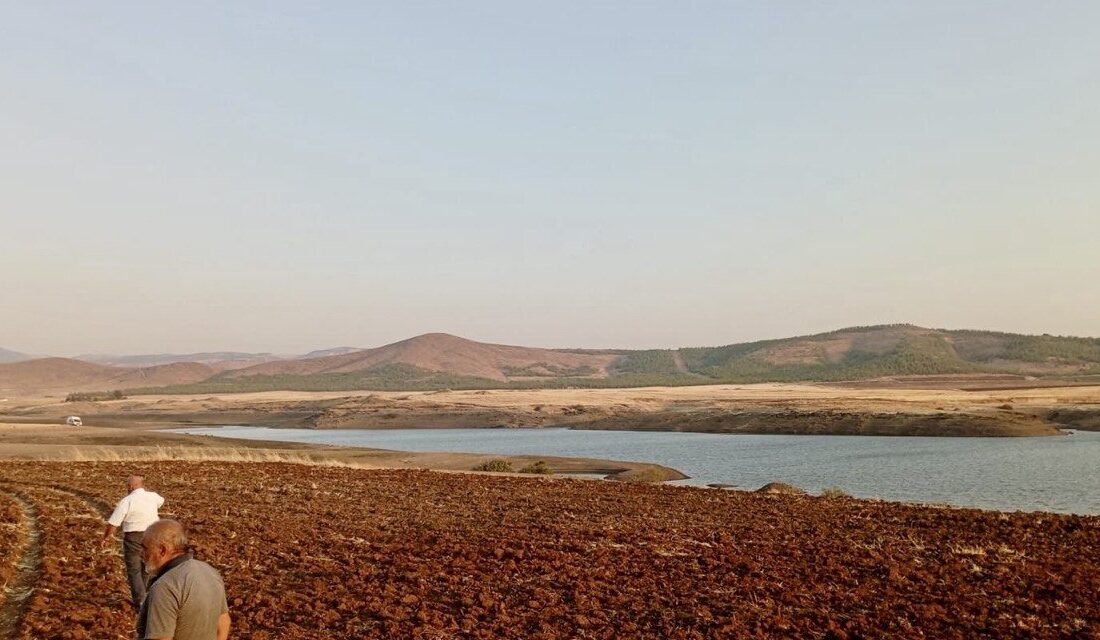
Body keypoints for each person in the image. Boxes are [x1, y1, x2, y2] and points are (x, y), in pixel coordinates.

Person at [137, 519, 230, 640]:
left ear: (162, 550)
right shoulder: (210, 572)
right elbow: (223, 623)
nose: (141, 553)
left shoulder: (165, 586)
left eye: (145, 548)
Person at [102, 475, 166, 607]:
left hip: (134, 537)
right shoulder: (153, 496)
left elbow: (114, 522)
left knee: (134, 569)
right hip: (152, 535)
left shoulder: (127, 501)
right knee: (147, 566)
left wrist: (106, 537)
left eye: (127, 486)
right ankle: (145, 596)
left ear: (130, 487)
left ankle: (141, 600)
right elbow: (161, 501)